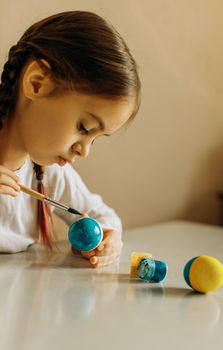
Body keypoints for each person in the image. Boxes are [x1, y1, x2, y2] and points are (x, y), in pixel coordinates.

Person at [0, 11, 141, 267]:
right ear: (37, 83)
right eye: (84, 127)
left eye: (95, 139)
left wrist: (109, 238)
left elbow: (103, 216)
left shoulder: (49, 173)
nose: (84, 151)